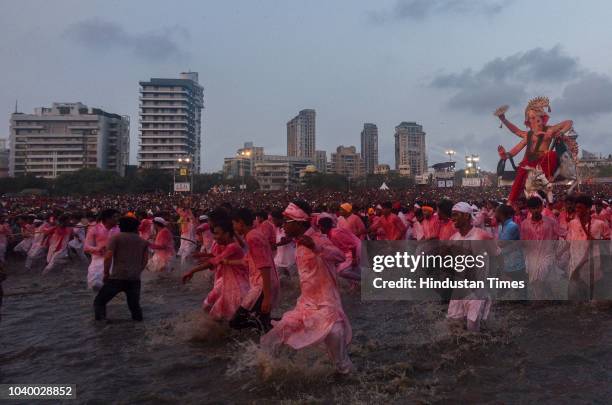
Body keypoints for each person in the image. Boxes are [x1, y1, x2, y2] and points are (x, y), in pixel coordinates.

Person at [261, 201, 353, 374]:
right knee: (276, 335)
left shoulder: (318, 239)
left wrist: (315, 247)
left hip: (328, 309)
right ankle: (269, 372)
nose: (282, 223)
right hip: (306, 306)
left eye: (287, 220)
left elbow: (340, 256)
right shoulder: (298, 241)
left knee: (342, 365)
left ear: (298, 222)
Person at [496, 96, 574, 203]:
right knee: (519, 179)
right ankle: (510, 203)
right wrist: (505, 155)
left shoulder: (549, 130)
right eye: (530, 118)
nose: (533, 121)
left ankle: (546, 181)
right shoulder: (528, 135)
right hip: (529, 162)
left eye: (535, 118)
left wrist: (560, 133)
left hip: (543, 161)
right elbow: (516, 137)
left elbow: (569, 122)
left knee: (551, 154)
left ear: (542, 118)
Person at [182, 218, 249, 321]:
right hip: (228, 285)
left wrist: (192, 271)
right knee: (212, 313)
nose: (214, 237)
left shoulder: (233, 247)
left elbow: (213, 261)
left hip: (237, 289)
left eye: (217, 234)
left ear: (227, 234)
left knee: (225, 320)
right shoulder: (227, 246)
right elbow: (215, 259)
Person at [447, 202, 496, 332]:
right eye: (452, 215)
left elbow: (496, 255)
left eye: (456, 215)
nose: (453, 218)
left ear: (467, 216)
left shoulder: (482, 236)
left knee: (472, 328)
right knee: (453, 326)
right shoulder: (453, 239)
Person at [230, 208, 280, 332]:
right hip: (266, 283)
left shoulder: (253, 238)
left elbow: (264, 265)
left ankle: (284, 326)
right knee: (262, 322)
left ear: (241, 222)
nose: (234, 227)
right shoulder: (255, 234)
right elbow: (248, 261)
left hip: (262, 286)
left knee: (236, 322)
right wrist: (225, 262)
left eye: (234, 224)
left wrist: (267, 297)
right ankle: (275, 335)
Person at [94, 216, 149, 321]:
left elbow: (108, 257)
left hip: (117, 277)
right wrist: (137, 271)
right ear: (135, 227)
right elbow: (145, 261)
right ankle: (139, 331)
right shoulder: (143, 242)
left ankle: (100, 328)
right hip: (134, 279)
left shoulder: (115, 238)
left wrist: (106, 273)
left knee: (99, 302)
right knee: (134, 307)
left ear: (121, 226)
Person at [566, 195, 610, 301]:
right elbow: (569, 243)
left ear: (589, 208)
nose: (577, 210)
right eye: (576, 207)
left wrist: (596, 241)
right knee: (575, 299)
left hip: (593, 269)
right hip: (575, 267)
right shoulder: (572, 224)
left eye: (580, 207)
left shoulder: (600, 224)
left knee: (591, 300)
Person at [519, 197, 560, 299]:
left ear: (542, 207)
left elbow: (561, 235)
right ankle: (547, 299)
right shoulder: (525, 224)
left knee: (539, 280)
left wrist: (557, 250)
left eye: (537, 207)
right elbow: (523, 242)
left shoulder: (551, 222)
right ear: (529, 209)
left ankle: (540, 302)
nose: (535, 210)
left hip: (547, 256)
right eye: (533, 208)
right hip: (532, 257)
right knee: (536, 282)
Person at [318, 215, 361, 282]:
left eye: (320, 226)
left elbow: (352, 245)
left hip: (356, 251)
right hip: (351, 253)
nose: (319, 228)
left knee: (342, 271)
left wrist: (354, 258)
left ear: (324, 227)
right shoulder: (331, 234)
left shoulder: (335, 234)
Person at [84, 209, 119, 291]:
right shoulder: (94, 229)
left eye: (118, 217)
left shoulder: (119, 229)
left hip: (114, 263)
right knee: (94, 288)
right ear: (107, 219)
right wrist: (98, 249)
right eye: (115, 217)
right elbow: (86, 247)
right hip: (97, 263)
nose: (117, 219)